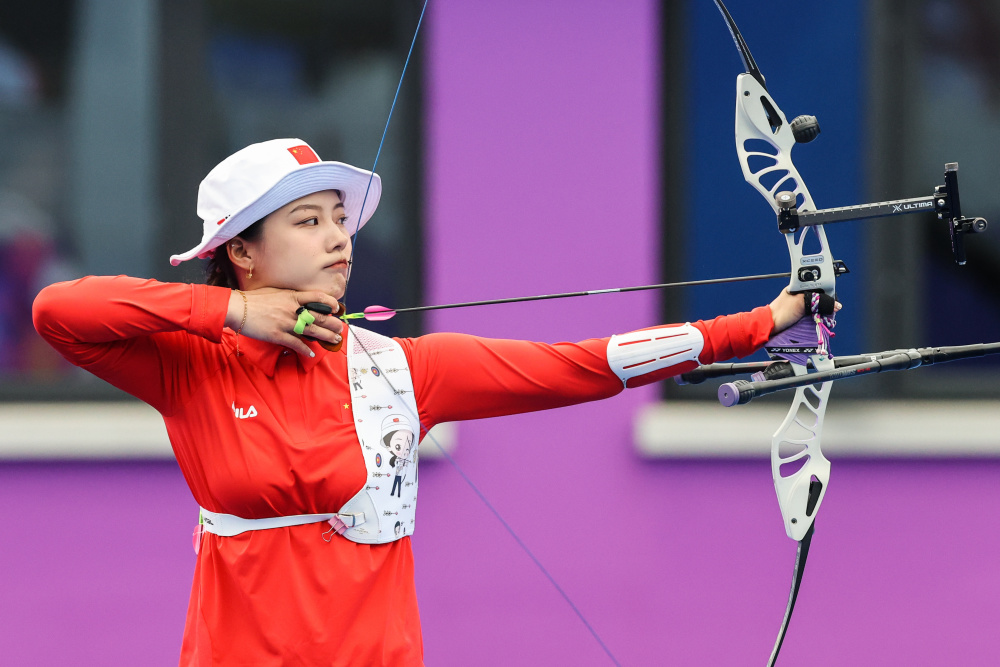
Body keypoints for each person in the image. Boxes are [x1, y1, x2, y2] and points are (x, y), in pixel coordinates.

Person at [32, 138, 823, 666]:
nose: (339, 238)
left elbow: (587, 364)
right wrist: (232, 312)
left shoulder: (403, 370)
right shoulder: (192, 366)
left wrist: (763, 322)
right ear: (241, 251)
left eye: (341, 219)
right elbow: (60, 311)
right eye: (308, 222)